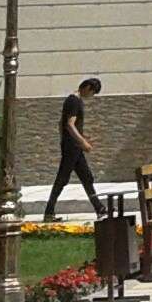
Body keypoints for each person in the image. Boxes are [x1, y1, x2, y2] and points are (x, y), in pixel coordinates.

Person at [44, 76, 104, 220]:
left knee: (86, 177)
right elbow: (69, 124)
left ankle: (100, 208)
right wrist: (82, 142)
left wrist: (69, 140)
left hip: (72, 145)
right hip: (73, 147)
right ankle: (49, 212)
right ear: (88, 88)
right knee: (62, 178)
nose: (91, 96)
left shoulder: (73, 101)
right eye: (93, 93)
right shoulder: (74, 101)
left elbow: (61, 124)